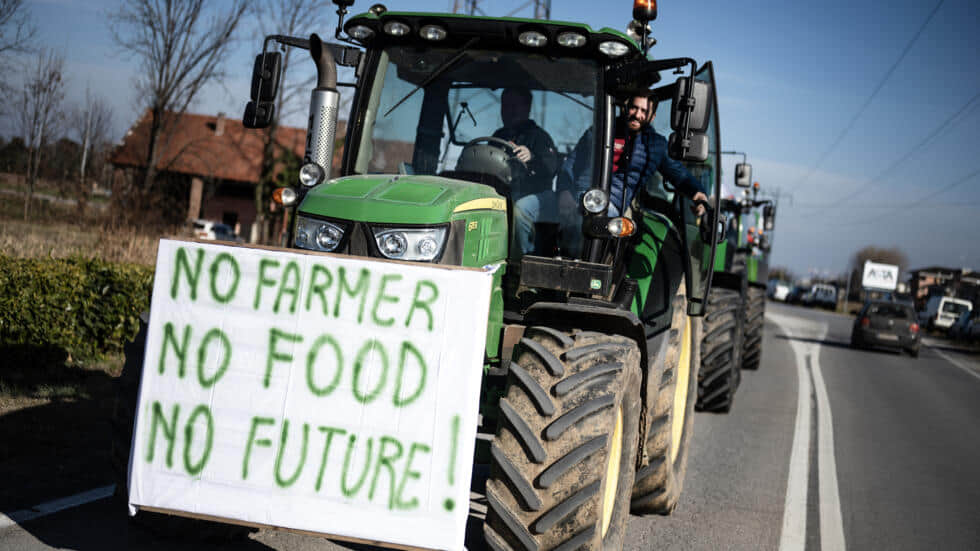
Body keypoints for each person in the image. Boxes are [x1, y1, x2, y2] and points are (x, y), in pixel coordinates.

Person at [513, 94, 708, 255]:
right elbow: (570, 165)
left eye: (644, 111)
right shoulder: (598, 131)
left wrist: (697, 193)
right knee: (522, 209)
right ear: (625, 107)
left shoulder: (655, 146)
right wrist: (564, 193)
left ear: (652, 116)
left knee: (580, 225)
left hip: (610, 205)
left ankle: (572, 275)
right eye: (634, 108)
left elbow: (678, 174)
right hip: (574, 195)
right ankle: (525, 264)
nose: (637, 114)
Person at [492, 88, 558, 199]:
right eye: (505, 106)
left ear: (527, 109)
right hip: (501, 192)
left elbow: (550, 168)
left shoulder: (540, 137)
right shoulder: (498, 135)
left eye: (514, 106)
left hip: (531, 197)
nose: (509, 111)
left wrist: (531, 157)